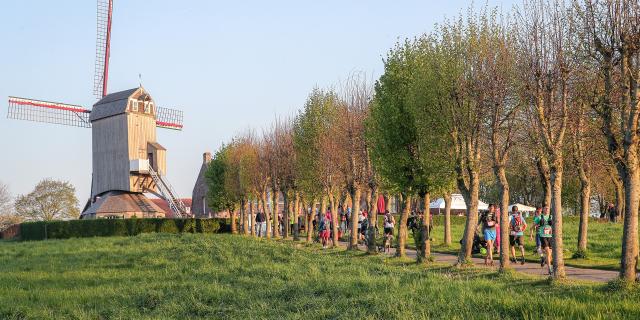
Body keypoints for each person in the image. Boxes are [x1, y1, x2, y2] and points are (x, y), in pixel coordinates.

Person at [534, 206, 553, 275]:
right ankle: (550, 269)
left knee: (550, 254)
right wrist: (531, 233)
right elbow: (534, 225)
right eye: (546, 209)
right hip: (543, 236)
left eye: (548, 209)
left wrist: (552, 230)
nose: (547, 210)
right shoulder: (539, 217)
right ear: (543, 210)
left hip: (550, 237)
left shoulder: (551, 217)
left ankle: (544, 259)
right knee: (548, 251)